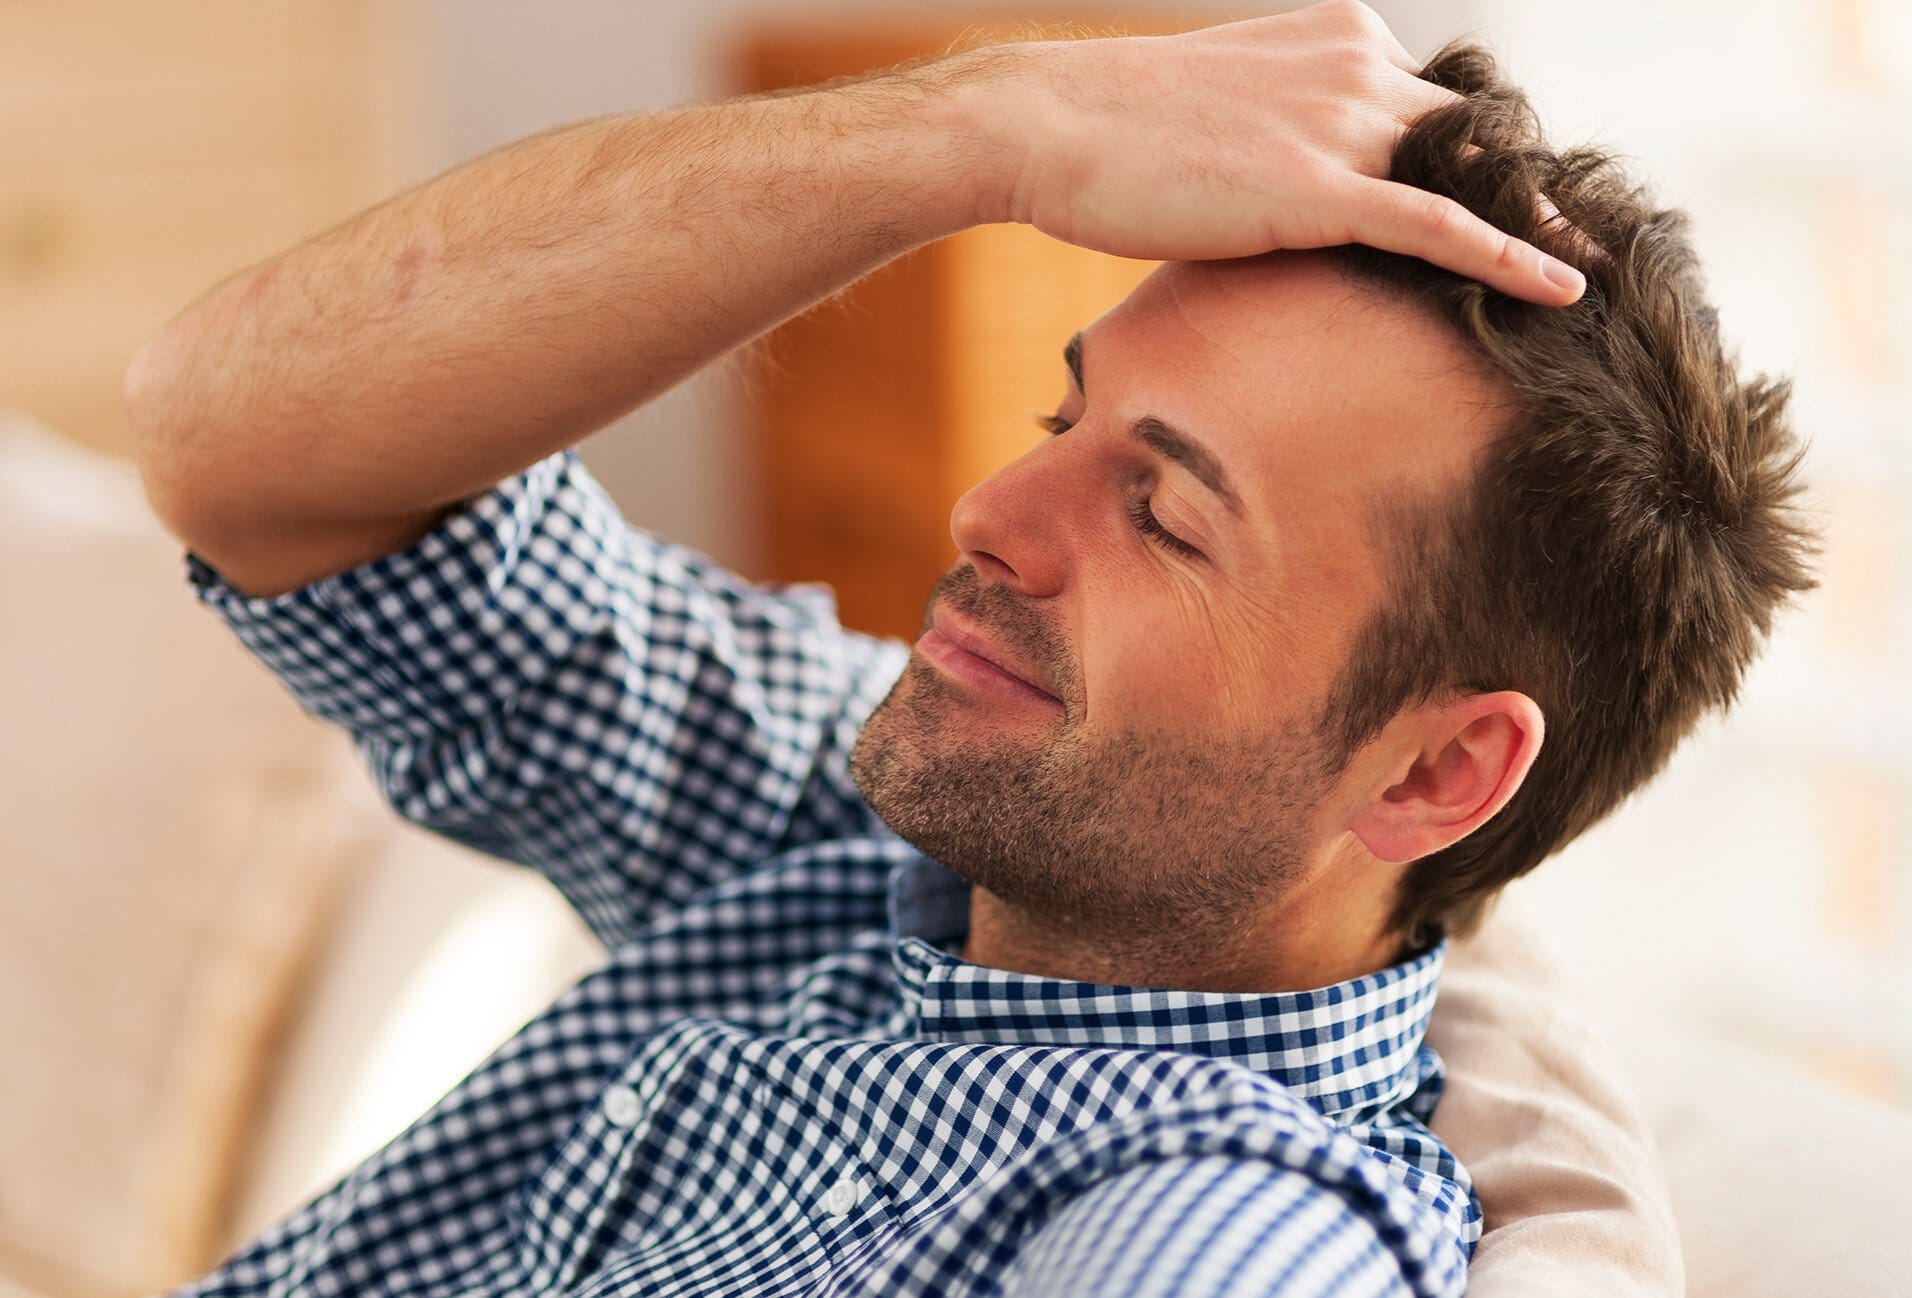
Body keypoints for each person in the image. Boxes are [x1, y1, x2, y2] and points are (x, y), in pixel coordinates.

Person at [126, 3, 1813, 1295]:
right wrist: (985, 128)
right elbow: (231, 445)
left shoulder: (1210, 1217)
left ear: (1440, 768)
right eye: (1061, 414)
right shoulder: (872, 827)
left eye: (1164, 515)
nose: (991, 510)